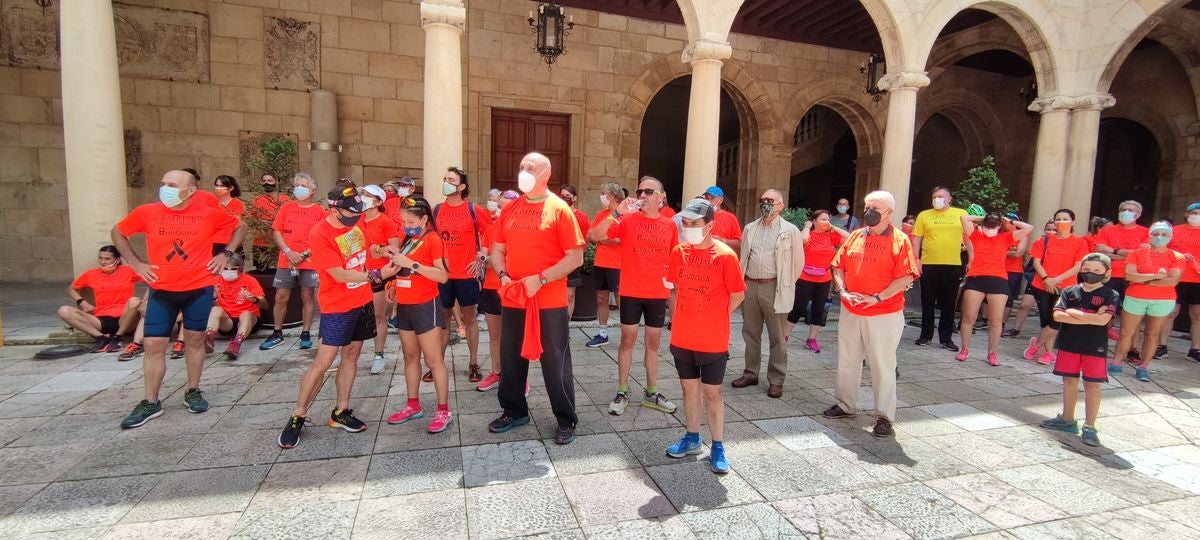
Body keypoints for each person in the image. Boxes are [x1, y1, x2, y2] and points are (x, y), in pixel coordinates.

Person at [111, 169, 245, 429]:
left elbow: (240, 226)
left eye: (171, 185)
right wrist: (136, 264)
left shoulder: (207, 212)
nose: (165, 188)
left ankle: (193, 390)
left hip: (198, 288)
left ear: (190, 190)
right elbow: (118, 232)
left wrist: (226, 254)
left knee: (194, 340)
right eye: (163, 184)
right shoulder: (147, 212)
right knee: (153, 344)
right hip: (162, 289)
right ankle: (150, 401)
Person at [278, 186, 401, 449]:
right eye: (350, 212)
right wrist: (379, 276)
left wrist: (383, 251)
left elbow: (366, 249)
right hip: (338, 306)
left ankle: (341, 411)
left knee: (352, 355)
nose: (356, 216)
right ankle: (298, 415)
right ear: (334, 209)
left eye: (359, 211)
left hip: (362, 301)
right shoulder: (320, 233)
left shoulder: (353, 225)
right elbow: (338, 273)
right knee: (323, 362)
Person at [488, 152, 585, 445]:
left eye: (530, 168)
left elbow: (575, 257)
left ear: (546, 173)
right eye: (521, 167)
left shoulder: (559, 209)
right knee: (511, 356)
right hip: (515, 296)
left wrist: (541, 278)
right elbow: (497, 250)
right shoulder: (510, 209)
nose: (523, 172)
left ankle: (566, 419)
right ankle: (514, 410)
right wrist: (504, 276)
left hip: (549, 300)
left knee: (555, 362)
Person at [823, 190, 918, 438]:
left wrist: (877, 297)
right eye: (867, 207)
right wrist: (843, 291)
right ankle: (846, 404)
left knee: (882, 364)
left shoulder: (900, 240)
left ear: (889, 213)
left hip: (883, 312)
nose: (869, 212)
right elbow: (838, 266)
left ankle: (884, 416)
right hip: (852, 309)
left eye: (875, 208)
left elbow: (906, 276)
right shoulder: (855, 235)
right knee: (848, 359)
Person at [663, 198, 746, 474]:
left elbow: (738, 294)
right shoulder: (678, 252)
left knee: (713, 393)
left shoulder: (724, 256)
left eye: (694, 224)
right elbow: (674, 289)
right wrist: (677, 320)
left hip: (712, 339)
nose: (688, 228)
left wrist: (714, 315)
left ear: (709, 225)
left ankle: (718, 445)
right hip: (683, 337)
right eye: (685, 224)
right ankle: (692, 437)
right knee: (689, 389)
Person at [589, 176, 679, 416]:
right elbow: (594, 236)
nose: (642, 196)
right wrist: (616, 213)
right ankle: (622, 390)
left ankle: (651, 392)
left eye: (649, 191)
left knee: (653, 344)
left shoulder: (669, 224)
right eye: (640, 191)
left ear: (661, 197)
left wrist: (675, 287)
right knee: (627, 341)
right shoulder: (626, 220)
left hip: (656, 293)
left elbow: (675, 258)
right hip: (630, 291)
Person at [385, 196, 456, 433]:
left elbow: (442, 276)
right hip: (405, 306)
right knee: (409, 357)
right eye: (403, 220)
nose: (406, 224)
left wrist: (412, 264)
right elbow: (405, 268)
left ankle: (443, 410)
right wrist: (395, 283)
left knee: (433, 360)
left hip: (426, 305)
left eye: (410, 220)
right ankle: (413, 404)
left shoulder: (433, 240)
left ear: (424, 219)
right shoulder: (409, 239)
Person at [1039, 253, 1120, 447]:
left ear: (1107, 273)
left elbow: (1104, 320)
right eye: (1086, 270)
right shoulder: (1069, 291)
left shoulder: (1111, 295)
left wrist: (1074, 313)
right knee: (1069, 381)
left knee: (1092, 385)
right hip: (1069, 343)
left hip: (1094, 346)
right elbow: (1058, 316)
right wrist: (1091, 316)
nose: (1091, 273)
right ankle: (1067, 419)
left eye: (1097, 271)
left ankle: (1090, 426)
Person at [731, 189, 803, 398]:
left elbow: (798, 263)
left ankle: (776, 379)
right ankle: (751, 373)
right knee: (750, 333)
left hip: (775, 287)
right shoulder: (750, 228)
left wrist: (786, 284)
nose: (765, 204)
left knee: (777, 336)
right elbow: (744, 257)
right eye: (763, 200)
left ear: (781, 205)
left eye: (770, 201)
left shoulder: (790, 231)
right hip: (751, 286)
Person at [433, 166, 492, 383]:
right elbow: (430, 237)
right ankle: (437, 363)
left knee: (470, 319)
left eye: (450, 179)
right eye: (445, 178)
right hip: (443, 275)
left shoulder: (473, 209)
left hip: (466, 274)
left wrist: (482, 255)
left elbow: (491, 232)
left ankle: (474, 362)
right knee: (443, 320)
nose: (446, 182)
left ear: (461, 186)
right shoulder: (437, 210)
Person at [1109, 222, 1183, 382]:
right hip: (1136, 297)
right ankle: (1116, 362)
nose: (1159, 237)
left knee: (1152, 334)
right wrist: (1157, 276)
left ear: (1170, 237)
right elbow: (1129, 276)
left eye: (1164, 234)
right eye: (1156, 234)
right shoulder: (1136, 253)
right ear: (1150, 235)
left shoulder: (1177, 257)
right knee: (1126, 332)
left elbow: (1172, 281)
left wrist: (1142, 279)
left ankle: (1143, 367)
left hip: (1162, 300)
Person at [957, 213, 1033, 365]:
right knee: (969, 317)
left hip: (998, 280)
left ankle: (992, 353)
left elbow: (1029, 227)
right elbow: (963, 218)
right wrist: (984, 217)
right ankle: (964, 349)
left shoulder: (1005, 237)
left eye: (994, 225)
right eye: (987, 226)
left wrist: (1007, 220)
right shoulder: (977, 235)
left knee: (996, 320)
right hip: (976, 278)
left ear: (999, 227)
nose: (990, 228)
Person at [260, 173, 323, 351]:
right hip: (286, 260)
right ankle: (277, 333)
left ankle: (306, 333)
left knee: (307, 296)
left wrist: (302, 254)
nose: (299, 188)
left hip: (309, 260)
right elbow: (277, 232)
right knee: (281, 296)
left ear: (312, 190)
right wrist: (288, 252)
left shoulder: (319, 211)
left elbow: (321, 236)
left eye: (303, 185)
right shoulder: (286, 208)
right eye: (297, 184)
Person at [1023, 210, 1090, 364]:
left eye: (1065, 219)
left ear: (1072, 222)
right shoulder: (1043, 241)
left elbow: (1078, 266)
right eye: (1058, 219)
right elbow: (1036, 262)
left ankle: (1037, 345)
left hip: (1066, 287)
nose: (1061, 222)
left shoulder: (1080, 242)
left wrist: (1056, 279)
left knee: (1056, 320)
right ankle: (1048, 352)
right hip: (1042, 284)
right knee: (1046, 320)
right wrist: (1047, 279)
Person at [785, 209, 849, 352]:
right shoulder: (809, 234)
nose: (826, 222)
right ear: (814, 221)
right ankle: (785, 336)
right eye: (823, 219)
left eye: (828, 219)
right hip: (805, 277)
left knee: (819, 310)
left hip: (824, 278)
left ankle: (812, 339)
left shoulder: (830, 236)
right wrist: (807, 227)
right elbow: (802, 240)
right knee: (798, 308)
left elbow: (850, 238)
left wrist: (832, 227)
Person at [912, 186, 967, 351]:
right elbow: (917, 239)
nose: (938, 199)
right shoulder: (924, 215)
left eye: (941, 196)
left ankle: (946, 338)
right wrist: (916, 259)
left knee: (949, 303)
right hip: (929, 263)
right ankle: (925, 335)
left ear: (950, 198)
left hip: (953, 264)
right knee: (927, 301)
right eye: (935, 196)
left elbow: (970, 236)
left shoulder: (961, 214)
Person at [59, 245, 143, 353]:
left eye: (107, 259)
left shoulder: (128, 271)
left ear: (117, 260)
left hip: (125, 318)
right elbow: (71, 289)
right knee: (64, 311)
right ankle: (101, 338)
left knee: (135, 301)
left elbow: (151, 280)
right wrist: (82, 302)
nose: (103, 262)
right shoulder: (91, 274)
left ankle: (118, 337)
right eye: (100, 258)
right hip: (101, 319)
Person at [476, 190, 520, 391]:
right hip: (492, 287)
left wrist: (492, 260)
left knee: (515, 336)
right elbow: (483, 259)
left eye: (506, 206)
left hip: (513, 288)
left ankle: (520, 377)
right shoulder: (491, 229)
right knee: (495, 335)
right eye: (499, 205)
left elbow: (513, 262)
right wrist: (492, 260)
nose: (501, 209)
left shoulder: (521, 230)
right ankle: (496, 372)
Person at [358, 185, 402, 374]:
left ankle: (378, 355)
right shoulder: (355, 220)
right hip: (356, 274)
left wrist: (390, 276)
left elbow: (394, 251)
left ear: (378, 202)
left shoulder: (386, 222)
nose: (363, 198)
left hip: (379, 274)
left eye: (368, 195)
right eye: (363, 194)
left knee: (378, 316)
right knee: (354, 316)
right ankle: (350, 353)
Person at [1095, 200, 1150, 341]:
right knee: (1105, 307)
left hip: (1133, 276)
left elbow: (1143, 254)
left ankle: (1131, 346)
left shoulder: (1145, 232)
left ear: (1138, 214)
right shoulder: (1106, 231)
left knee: (1132, 312)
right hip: (1109, 275)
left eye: (1130, 210)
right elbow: (1101, 252)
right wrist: (1132, 253)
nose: (1126, 212)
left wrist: (1113, 250)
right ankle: (1100, 337)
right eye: (1123, 209)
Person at [586, 182, 626, 348]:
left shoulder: (625, 216)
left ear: (614, 196)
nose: (602, 196)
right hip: (601, 262)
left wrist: (602, 238)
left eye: (604, 193)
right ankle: (603, 333)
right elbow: (591, 235)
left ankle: (627, 333)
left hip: (618, 264)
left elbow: (619, 239)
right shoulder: (602, 214)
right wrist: (605, 239)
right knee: (601, 298)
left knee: (620, 299)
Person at [206, 253, 266, 360]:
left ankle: (236, 344)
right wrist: (213, 298)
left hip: (248, 322)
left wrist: (254, 299)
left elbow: (265, 305)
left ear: (240, 269)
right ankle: (209, 338)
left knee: (246, 314)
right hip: (227, 322)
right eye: (225, 268)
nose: (228, 271)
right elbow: (209, 307)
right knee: (215, 309)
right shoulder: (216, 281)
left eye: (232, 269)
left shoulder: (250, 280)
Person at [1169, 202, 1200, 363]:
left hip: (1198, 279)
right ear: (1187, 214)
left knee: (1197, 316)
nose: (1196, 216)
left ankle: (1195, 349)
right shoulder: (1174, 231)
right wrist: (1178, 254)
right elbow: (1163, 249)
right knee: (1171, 313)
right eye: (1194, 212)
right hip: (1177, 277)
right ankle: (1161, 346)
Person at [561, 184, 591, 318]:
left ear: (575, 198)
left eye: (568, 196)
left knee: (570, 295)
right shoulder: (555, 214)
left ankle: (565, 327)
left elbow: (587, 239)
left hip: (573, 261)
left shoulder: (582, 217)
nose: (565, 198)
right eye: (562, 196)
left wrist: (578, 254)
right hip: (556, 260)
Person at [1000, 212, 1032, 337]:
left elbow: (1018, 253)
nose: (1006, 223)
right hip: (999, 269)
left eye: (1010, 221)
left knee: (1008, 299)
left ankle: (1002, 324)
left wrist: (1001, 251)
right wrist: (1008, 251)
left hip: (1014, 270)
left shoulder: (1022, 235)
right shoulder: (1000, 234)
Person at [248, 173, 290, 268]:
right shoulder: (257, 200)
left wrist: (274, 223)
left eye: (270, 181)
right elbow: (250, 218)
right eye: (264, 181)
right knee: (261, 272)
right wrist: (261, 222)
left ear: (278, 182)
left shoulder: (286, 200)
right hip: (260, 242)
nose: (266, 183)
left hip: (280, 243)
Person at [701, 186, 743, 252]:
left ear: (721, 200)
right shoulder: (700, 216)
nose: (708, 201)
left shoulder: (730, 218)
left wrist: (722, 240)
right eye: (706, 198)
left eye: (712, 198)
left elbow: (739, 243)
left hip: (722, 257)